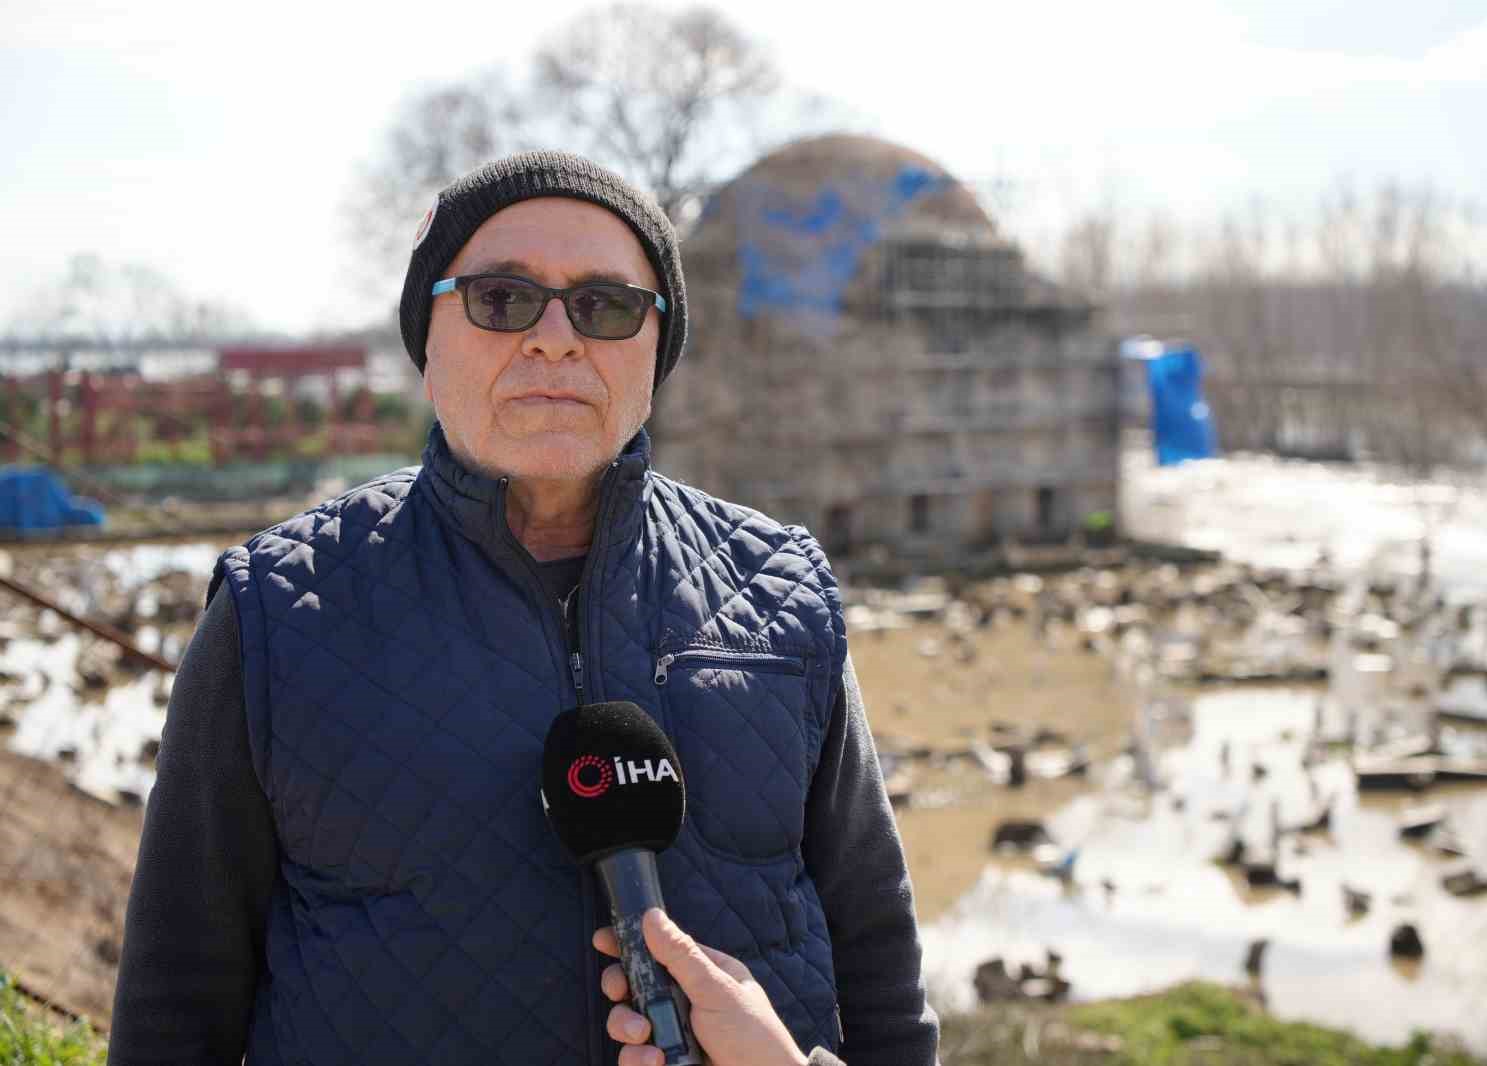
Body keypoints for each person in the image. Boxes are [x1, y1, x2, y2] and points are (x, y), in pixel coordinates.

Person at [107, 151, 940, 1066]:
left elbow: (880, 965)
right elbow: (176, 997)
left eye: (606, 305)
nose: (555, 339)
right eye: (502, 300)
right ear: (427, 343)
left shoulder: (782, 592)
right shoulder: (276, 610)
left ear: (657, 351)